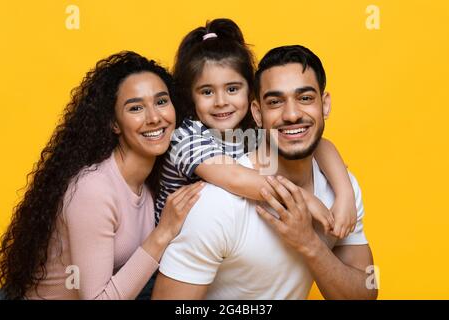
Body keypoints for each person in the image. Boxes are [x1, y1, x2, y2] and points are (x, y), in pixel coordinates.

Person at [152, 45, 377, 300]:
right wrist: (305, 200)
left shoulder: (340, 190)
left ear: (325, 105)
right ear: (257, 113)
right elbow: (235, 178)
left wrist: (311, 243)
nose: (292, 114)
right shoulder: (217, 202)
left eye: (305, 98)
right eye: (275, 102)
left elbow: (365, 294)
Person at [0, 51, 203, 300]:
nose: (154, 117)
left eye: (161, 102)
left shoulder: (154, 180)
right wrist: (163, 233)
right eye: (136, 108)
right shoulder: (93, 188)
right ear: (114, 124)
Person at [155, 18, 357, 239]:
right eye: (206, 92)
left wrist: (345, 194)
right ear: (190, 96)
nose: (221, 101)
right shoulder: (185, 137)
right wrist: (306, 199)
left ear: (250, 93)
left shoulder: (249, 131)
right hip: (172, 254)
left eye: (232, 89)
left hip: (223, 248)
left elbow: (320, 144)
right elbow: (234, 177)